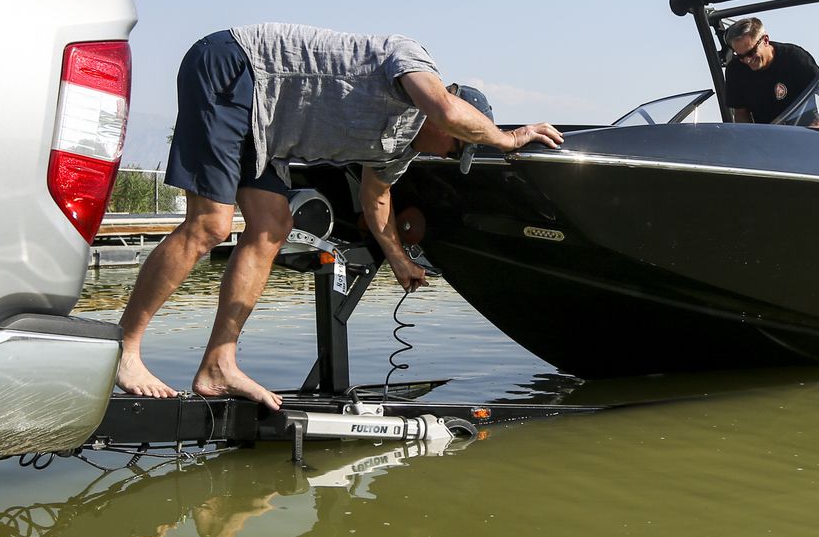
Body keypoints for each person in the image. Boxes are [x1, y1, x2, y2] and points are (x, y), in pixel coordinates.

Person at [116, 24, 564, 409]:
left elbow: (376, 199)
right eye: (457, 147)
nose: (448, 155)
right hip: (235, 68)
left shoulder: (399, 151)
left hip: (265, 130)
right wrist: (508, 139)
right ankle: (123, 350)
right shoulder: (411, 59)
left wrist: (400, 260)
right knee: (210, 225)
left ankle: (219, 364)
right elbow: (446, 110)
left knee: (272, 227)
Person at [722, 17, 819, 126]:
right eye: (741, 56)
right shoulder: (735, 70)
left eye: (751, 53)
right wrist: (752, 138)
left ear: (765, 40)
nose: (747, 60)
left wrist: (816, 126)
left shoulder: (794, 57)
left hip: (805, 134)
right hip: (769, 138)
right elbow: (741, 114)